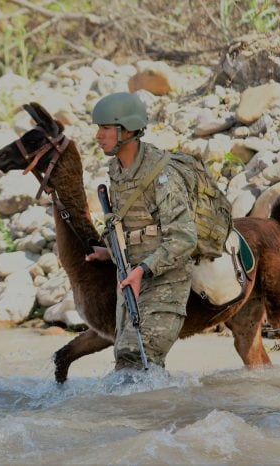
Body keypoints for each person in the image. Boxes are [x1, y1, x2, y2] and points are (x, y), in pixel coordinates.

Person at [85, 92, 198, 371]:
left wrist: (142, 271)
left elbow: (183, 237)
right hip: (130, 277)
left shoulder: (162, 175)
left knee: (140, 358)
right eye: (98, 128)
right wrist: (110, 252)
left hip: (164, 279)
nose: (99, 135)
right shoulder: (117, 170)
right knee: (124, 358)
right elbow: (128, 226)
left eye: (106, 128)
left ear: (128, 129)